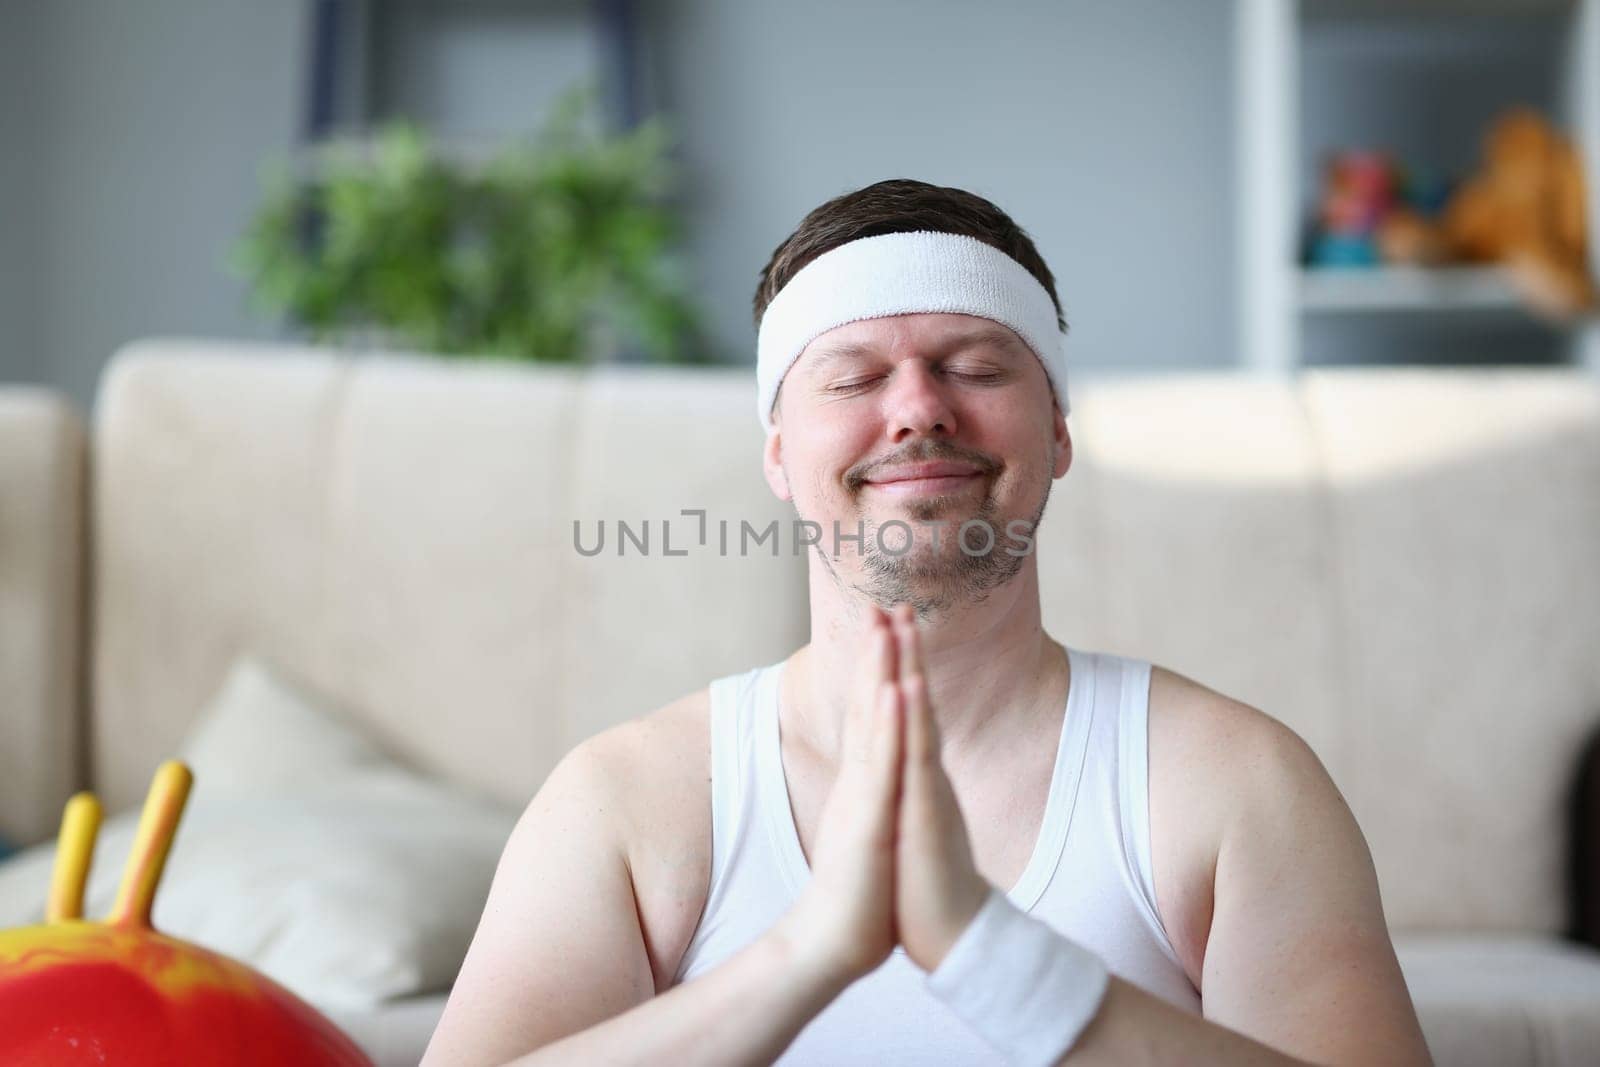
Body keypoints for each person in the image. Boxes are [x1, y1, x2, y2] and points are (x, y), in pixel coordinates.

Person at [421, 179, 1433, 1066]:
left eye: (978, 366)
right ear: (777, 455)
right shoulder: (627, 800)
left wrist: (995, 958)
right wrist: (803, 953)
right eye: (855, 377)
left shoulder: (1231, 783)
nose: (918, 409)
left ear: (1059, 432)